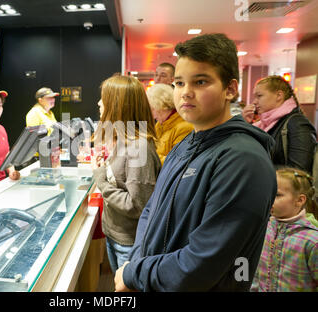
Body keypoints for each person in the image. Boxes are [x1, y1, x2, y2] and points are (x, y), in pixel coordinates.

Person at [114, 33, 277, 292]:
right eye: (179, 83)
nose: (186, 93)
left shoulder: (243, 160)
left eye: (200, 81)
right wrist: (137, 264)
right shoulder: (185, 145)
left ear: (230, 89)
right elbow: (151, 211)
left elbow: (204, 263)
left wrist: (136, 272)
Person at [92, 74, 161, 275]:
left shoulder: (138, 147)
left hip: (129, 243)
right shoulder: (123, 139)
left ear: (117, 104)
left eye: (103, 99)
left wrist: (101, 179)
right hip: (116, 236)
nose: (98, 103)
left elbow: (136, 206)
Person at [251, 167, 318, 291]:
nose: (269, 198)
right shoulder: (263, 230)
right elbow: (254, 272)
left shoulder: (312, 241)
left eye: (277, 195)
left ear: (299, 200)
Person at [242, 75, 316, 174]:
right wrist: (245, 126)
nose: (254, 102)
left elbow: (299, 171)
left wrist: (255, 167)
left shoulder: (297, 123)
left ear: (279, 96)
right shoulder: (263, 124)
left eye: (259, 96)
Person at [146, 83, 194, 164]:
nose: (152, 115)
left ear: (162, 106)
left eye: (153, 109)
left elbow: (177, 162)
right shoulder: (160, 124)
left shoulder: (184, 127)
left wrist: (149, 156)